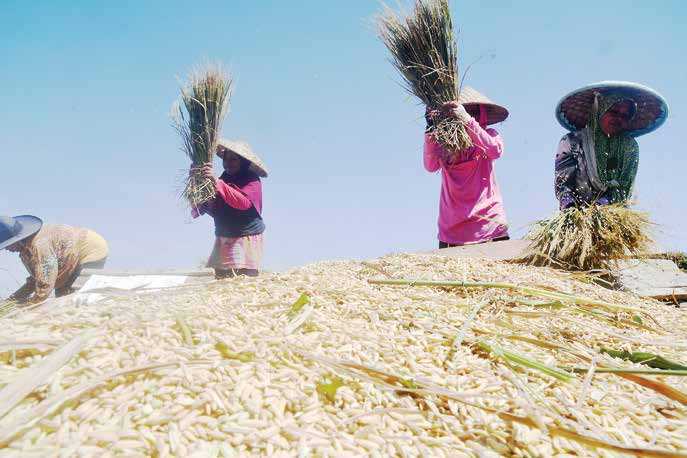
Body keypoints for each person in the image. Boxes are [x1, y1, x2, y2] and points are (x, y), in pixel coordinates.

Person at [554, 81, 669, 210]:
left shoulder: (629, 148)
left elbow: (624, 188)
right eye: (613, 112)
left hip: (613, 212)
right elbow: (564, 185)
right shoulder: (571, 142)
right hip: (577, 214)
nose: (619, 118)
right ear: (600, 109)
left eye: (625, 116)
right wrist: (572, 210)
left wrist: (602, 206)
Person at [424, 87, 510, 249]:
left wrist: (467, 120)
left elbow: (494, 150)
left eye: (474, 112)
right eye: (464, 110)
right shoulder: (445, 144)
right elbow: (430, 166)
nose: (470, 115)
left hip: (488, 225)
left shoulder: (489, 135)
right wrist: (430, 129)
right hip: (452, 230)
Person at [194, 139, 267, 279]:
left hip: (245, 237)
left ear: (243, 162)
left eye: (233, 159)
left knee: (243, 280)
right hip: (224, 237)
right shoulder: (224, 178)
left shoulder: (251, 180)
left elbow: (243, 203)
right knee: (222, 278)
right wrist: (198, 182)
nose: (228, 163)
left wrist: (217, 182)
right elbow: (216, 209)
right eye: (226, 159)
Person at [1, 215, 109, 304]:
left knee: (75, 299)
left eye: (8, 244)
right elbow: (36, 279)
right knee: (62, 295)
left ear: (17, 240)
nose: (6, 248)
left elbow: (45, 283)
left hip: (89, 249)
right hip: (69, 258)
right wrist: (12, 300)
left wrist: (30, 305)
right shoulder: (26, 251)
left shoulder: (40, 245)